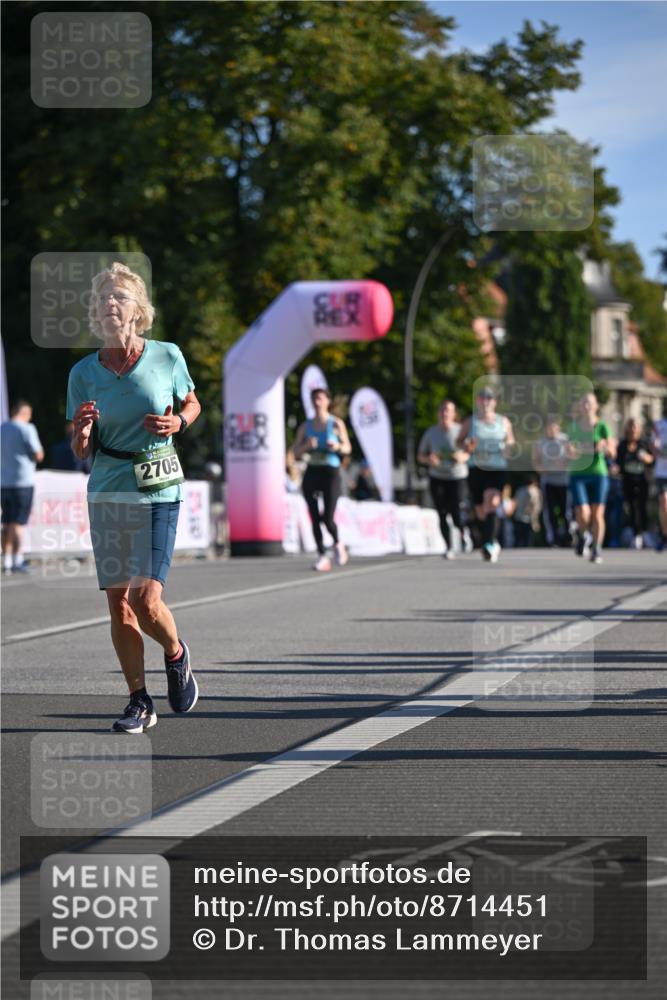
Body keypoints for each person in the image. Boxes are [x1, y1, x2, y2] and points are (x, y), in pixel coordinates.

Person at [67, 261, 202, 733]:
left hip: (159, 483)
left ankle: (176, 652)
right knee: (119, 604)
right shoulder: (83, 372)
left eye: (119, 296)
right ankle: (138, 700)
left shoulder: (166, 356)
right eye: (102, 297)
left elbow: (192, 401)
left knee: (147, 600)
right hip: (108, 488)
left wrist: (180, 422)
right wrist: (83, 431)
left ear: (137, 309)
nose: (109, 304)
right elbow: (81, 447)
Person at [292, 387, 352, 571]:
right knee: (314, 516)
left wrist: (336, 447)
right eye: (314, 398)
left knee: (327, 517)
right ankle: (322, 555)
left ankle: (338, 543)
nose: (317, 401)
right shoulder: (305, 426)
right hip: (312, 470)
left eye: (320, 398)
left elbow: (347, 448)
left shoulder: (336, 424)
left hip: (330, 471)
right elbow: (294, 453)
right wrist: (306, 446)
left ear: (327, 401)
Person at [457, 386, 515, 563]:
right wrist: (467, 446)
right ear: (477, 401)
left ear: (495, 402)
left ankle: (489, 543)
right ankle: (487, 541)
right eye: (483, 398)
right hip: (476, 468)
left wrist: (508, 448)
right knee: (481, 510)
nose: (486, 401)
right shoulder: (471, 422)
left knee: (492, 500)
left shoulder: (503, 422)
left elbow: (511, 440)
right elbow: (459, 441)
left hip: (497, 468)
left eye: (489, 398)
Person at [566, 392, 616, 564]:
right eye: (584, 403)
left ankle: (596, 549)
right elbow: (569, 450)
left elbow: (612, 451)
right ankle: (582, 535)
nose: (587, 406)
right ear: (580, 407)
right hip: (578, 474)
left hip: (598, 473)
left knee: (597, 514)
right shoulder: (573, 427)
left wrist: (604, 447)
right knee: (583, 513)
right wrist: (578, 450)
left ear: (596, 406)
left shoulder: (602, 427)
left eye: (590, 403)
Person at [417, 399, 470, 559]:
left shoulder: (461, 430)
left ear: (454, 414)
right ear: (439, 413)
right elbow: (420, 456)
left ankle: (462, 531)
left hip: (457, 476)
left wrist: (462, 456)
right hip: (437, 477)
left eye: (448, 410)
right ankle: (448, 547)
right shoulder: (431, 432)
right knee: (441, 512)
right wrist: (428, 460)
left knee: (456, 511)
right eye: (442, 410)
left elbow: (470, 451)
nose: (445, 413)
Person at [1, 399, 44, 573]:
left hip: (4, 481)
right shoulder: (27, 428)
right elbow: (38, 454)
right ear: (25, 413)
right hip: (23, 481)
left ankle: (6, 561)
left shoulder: (2, 428)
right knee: (18, 522)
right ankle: (18, 559)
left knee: (6, 522)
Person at [532, 418, 570, 546]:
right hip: (548, 481)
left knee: (566, 511)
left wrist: (565, 464)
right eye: (549, 427)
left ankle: (568, 536)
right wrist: (543, 470)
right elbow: (536, 462)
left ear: (558, 428)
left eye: (554, 427)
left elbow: (573, 456)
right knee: (550, 511)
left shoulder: (565, 440)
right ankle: (553, 538)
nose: (551, 430)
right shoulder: (540, 443)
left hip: (564, 481)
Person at [617, 418, 653, 548]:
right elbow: (618, 463)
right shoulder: (622, 445)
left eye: (635, 426)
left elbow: (652, 460)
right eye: (631, 426)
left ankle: (644, 533)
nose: (633, 429)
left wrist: (646, 458)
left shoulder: (644, 443)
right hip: (628, 481)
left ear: (639, 428)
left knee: (642, 507)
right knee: (631, 508)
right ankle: (635, 535)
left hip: (642, 480)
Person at [651, 407, 667, 550]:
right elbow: (653, 445)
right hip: (662, 472)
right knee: (664, 502)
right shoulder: (659, 425)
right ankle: (664, 534)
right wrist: (656, 449)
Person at [513, 476, 543, 547]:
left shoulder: (519, 490)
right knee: (528, 540)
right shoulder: (536, 491)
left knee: (518, 539)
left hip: (519, 517)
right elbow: (537, 506)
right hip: (530, 518)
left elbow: (515, 503)